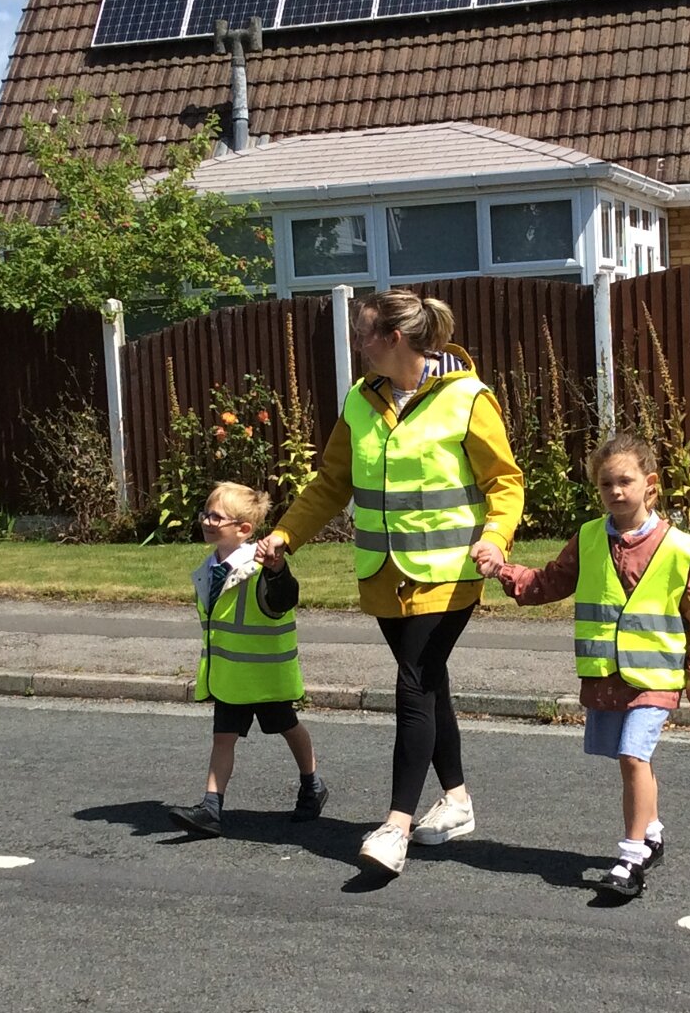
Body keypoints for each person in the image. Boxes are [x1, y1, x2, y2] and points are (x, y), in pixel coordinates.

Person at [256, 289, 523, 878]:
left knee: (413, 686)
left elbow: (505, 482)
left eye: (364, 333)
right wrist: (285, 536)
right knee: (431, 686)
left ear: (394, 338)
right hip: (384, 575)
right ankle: (455, 799)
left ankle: (395, 826)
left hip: (450, 573)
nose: (357, 343)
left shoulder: (467, 398)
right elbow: (331, 483)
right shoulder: (360, 400)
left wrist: (496, 539)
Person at [482, 432, 690, 899]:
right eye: (605, 484)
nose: (615, 492)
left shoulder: (680, 547)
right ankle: (651, 833)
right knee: (630, 759)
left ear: (649, 484)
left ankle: (630, 860)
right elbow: (547, 583)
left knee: (634, 755)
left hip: (655, 678)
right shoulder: (589, 538)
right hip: (607, 677)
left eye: (625, 481)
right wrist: (501, 570)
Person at [169, 480, 325, 838]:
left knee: (289, 728)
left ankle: (313, 784)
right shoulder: (209, 569)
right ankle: (210, 807)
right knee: (223, 738)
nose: (207, 521)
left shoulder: (259, 567)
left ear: (244, 529)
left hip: (266, 679)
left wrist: (277, 570)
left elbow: (285, 597)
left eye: (216, 517)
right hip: (230, 679)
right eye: (205, 513)